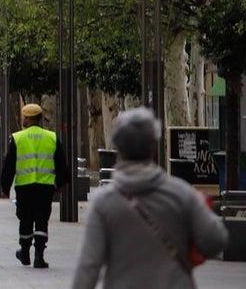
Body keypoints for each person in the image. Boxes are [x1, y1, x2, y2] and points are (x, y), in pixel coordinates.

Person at [71, 107, 228, 289]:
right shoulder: (181, 193)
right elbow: (216, 239)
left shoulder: (104, 202)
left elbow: (88, 266)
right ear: (153, 145)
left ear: (118, 149)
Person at [0, 102, 70, 269]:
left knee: (25, 220)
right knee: (41, 220)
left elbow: (9, 165)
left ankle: (24, 253)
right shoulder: (51, 137)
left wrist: (5, 187)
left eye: (24, 117)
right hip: (45, 187)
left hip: (24, 187)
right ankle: (39, 256)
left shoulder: (18, 138)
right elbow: (60, 162)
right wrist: (60, 183)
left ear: (28, 119)